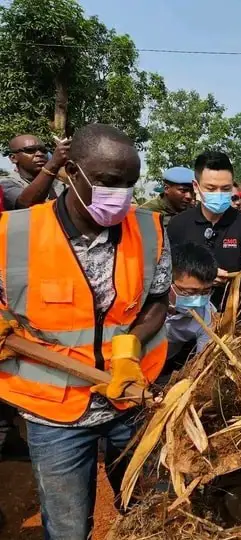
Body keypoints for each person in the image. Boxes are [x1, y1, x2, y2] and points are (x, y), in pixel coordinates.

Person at [0, 123, 170, 540]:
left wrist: (131, 350)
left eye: (130, 183)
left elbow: (158, 301)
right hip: (53, 414)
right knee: (69, 528)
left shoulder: (150, 229)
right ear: (71, 172)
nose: (122, 195)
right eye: (110, 182)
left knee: (150, 513)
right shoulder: (14, 234)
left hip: (130, 402)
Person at [167, 151, 241, 313]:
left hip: (235, 314)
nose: (219, 194)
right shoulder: (178, 224)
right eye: (211, 188)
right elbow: (169, 269)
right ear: (196, 186)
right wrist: (204, 275)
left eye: (225, 188)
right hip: (188, 315)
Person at [160, 242, 217, 385]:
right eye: (190, 293)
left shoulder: (207, 315)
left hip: (167, 364)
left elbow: (202, 362)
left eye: (205, 292)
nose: (198, 300)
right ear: (168, 282)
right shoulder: (143, 304)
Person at [2, 134, 69, 210]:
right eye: (30, 150)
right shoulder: (6, 184)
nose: (40, 154)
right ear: (13, 158)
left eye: (43, 150)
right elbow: (26, 204)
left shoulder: (59, 184)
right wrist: (53, 164)